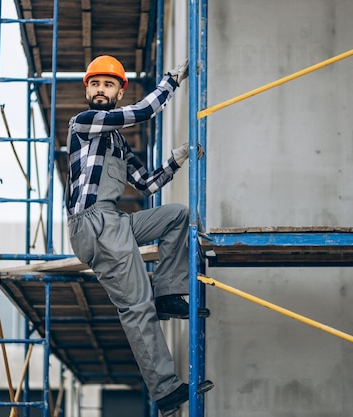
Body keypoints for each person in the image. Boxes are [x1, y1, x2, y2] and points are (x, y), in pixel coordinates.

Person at [65, 55, 213, 416]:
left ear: (118, 91)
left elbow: (146, 185)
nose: (100, 90)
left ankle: (167, 293)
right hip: (94, 223)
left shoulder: (115, 141)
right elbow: (144, 112)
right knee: (135, 306)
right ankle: (165, 392)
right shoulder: (84, 123)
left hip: (116, 221)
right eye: (95, 84)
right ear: (88, 89)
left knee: (176, 216)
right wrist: (170, 82)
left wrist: (176, 161)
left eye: (108, 85)